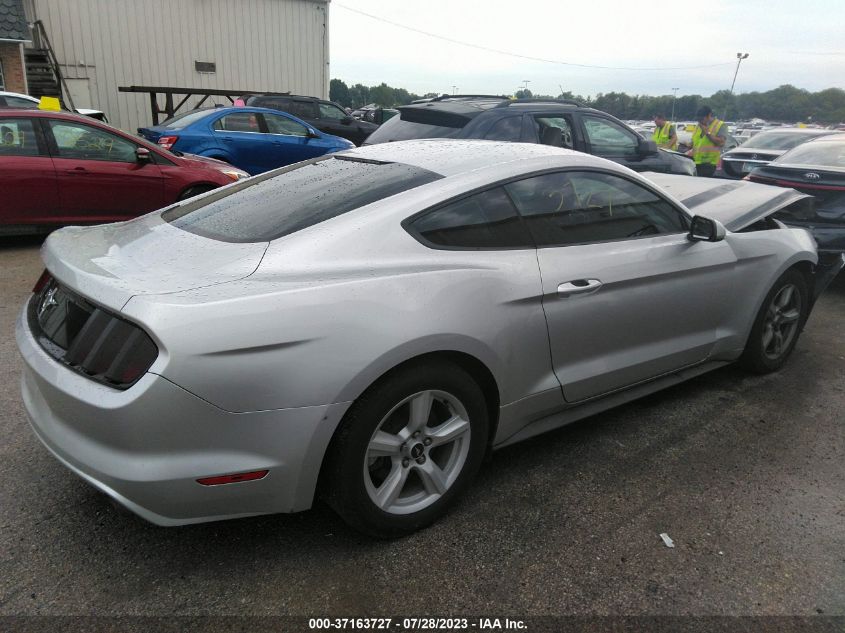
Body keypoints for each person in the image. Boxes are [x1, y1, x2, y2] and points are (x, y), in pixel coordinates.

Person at [688, 105, 726, 177]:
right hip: (696, 164)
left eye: (701, 119)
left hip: (711, 165)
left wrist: (707, 133)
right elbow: (696, 143)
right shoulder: (698, 126)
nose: (699, 121)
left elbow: (721, 142)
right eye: (698, 119)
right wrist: (689, 145)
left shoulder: (720, 125)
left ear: (709, 115)